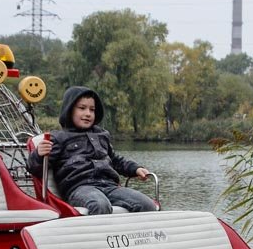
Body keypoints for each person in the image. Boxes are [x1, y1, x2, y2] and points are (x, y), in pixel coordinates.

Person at [27, 87, 157, 214]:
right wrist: (39, 154)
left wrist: (135, 169)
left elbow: (115, 160)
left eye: (92, 110)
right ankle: (101, 235)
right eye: (82, 108)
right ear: (69, 110)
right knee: (100, 205)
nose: (88, 114)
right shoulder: (58, 138)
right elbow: (35, 168)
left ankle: (131, 235)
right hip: (80, 189)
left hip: (109, 186)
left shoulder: (102, 135)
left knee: (147, 204)